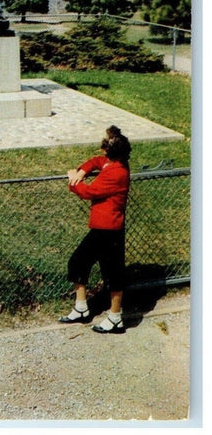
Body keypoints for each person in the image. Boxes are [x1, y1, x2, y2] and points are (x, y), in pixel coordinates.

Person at [59, 125, 132, 334]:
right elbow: (97, 162)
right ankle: (81, 308)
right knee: (78, 262)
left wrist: (73, 180)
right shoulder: (114, 163)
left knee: (113, 273)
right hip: (101, 228)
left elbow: (90, 191)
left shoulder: (117, 173)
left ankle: (116, 317)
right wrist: (83, 170)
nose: (102, 152)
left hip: (109, 231)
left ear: (111, 151)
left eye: (105, 148)